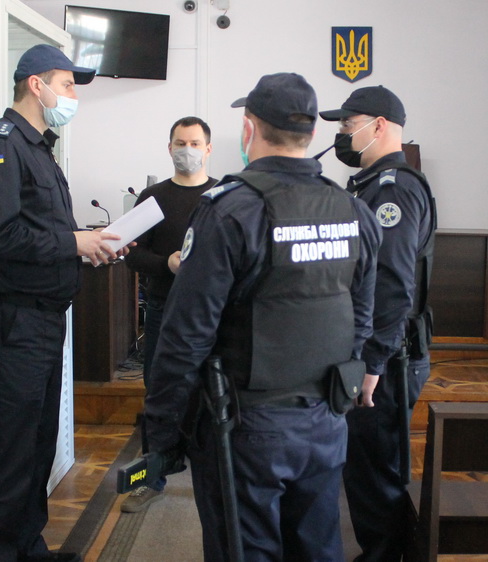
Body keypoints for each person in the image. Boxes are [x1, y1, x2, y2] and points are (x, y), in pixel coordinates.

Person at [143, 73, 382, 560]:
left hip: (246, 426)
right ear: (311, 132)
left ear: (249, 128)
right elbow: (361, 317)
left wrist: (164, 433)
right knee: (316, 547)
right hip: (326, 419)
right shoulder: (353, 211)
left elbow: (186, 336)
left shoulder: (230, 211)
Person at [0, 44, 128, 562]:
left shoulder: (39, 148)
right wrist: (73, 243)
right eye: (67, 84)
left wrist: (88, 245)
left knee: (36, 445)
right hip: (14, 319)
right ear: (36, 85)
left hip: (42, 318)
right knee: (10, 451)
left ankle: (29, 549)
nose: (73, 95)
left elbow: (44, 232)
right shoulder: (0, 146)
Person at [320, 85, 436, 562]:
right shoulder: (371, 184)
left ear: (379, 126)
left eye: (348, 125)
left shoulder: (394, 188)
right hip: (381, 353)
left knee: (376, 476)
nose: (343, 135)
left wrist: (371, 363)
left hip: (388, 358)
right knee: (366, 471)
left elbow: (392, 285)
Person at [122, 116, 217, 513]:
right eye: (180, 143)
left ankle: (214, 479)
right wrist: (167, 263)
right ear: (169, 147)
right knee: (159, 394)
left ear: (208, 149)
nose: (187, 150)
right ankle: (151, 479)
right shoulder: (153, 197)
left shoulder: (224, 196)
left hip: (213, 315)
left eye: (194, 143)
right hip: (164, 309)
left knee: (213, 395)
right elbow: (132, 254)